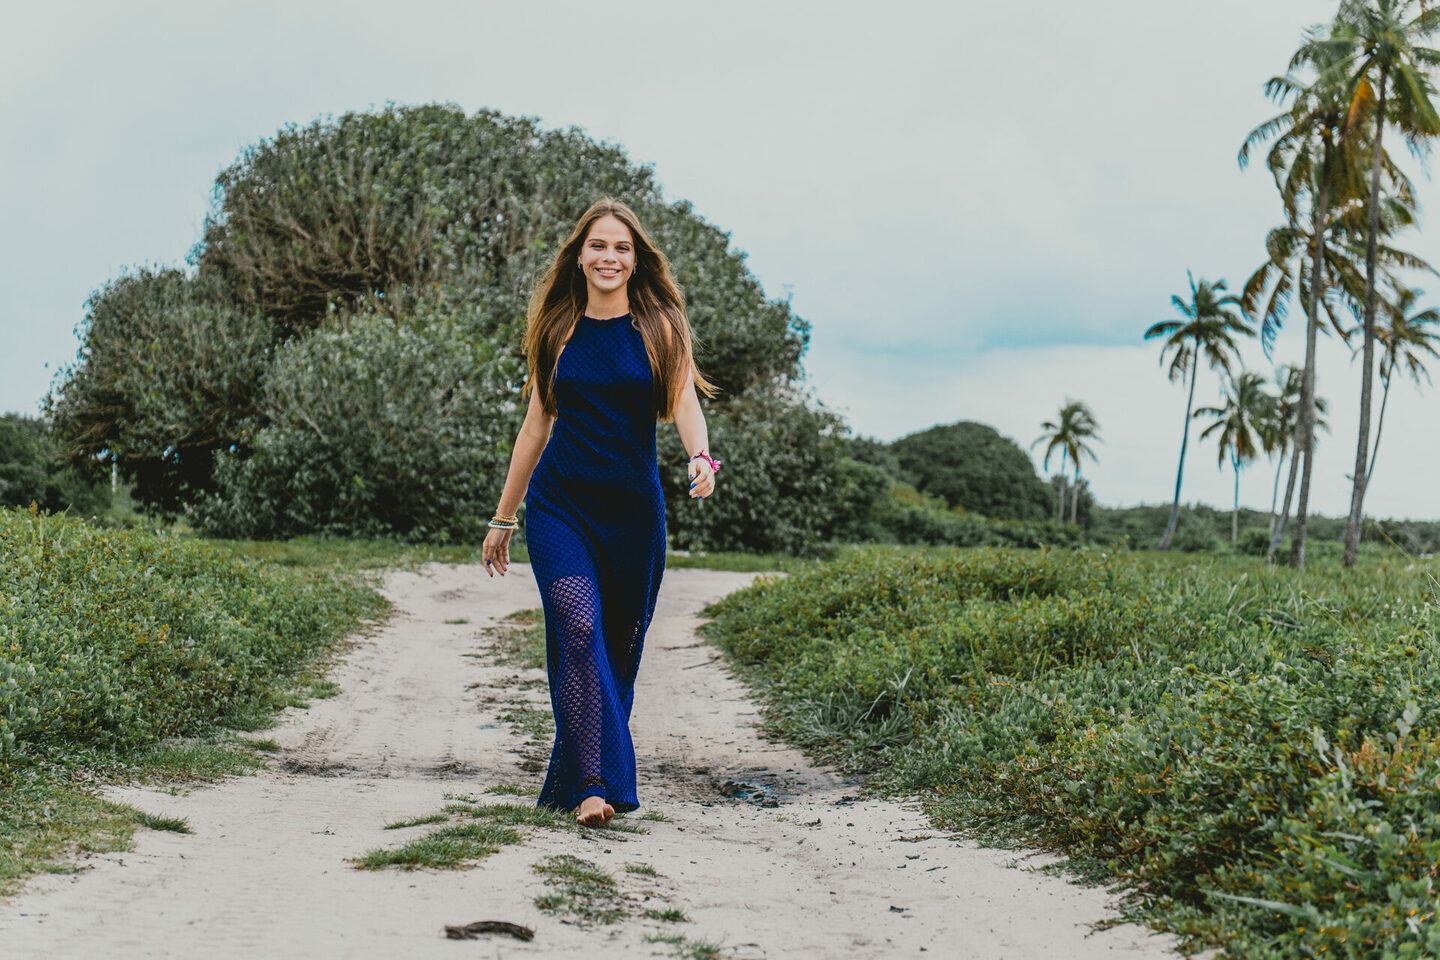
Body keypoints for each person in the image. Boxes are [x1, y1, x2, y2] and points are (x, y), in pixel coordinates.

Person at [480, 198, 720, 827]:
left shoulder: (659, 327)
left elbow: (684, 402)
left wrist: (702, 458)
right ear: (579, 256)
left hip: (634, 514)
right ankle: (594, 785)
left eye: (621, 248)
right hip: (561, 505)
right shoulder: (557, 330)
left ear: (636, 259)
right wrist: (504, 518)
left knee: (615, 650)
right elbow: (535, 429)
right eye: (598, 246)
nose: (609, 257)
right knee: (578, 630)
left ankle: (575, 776)